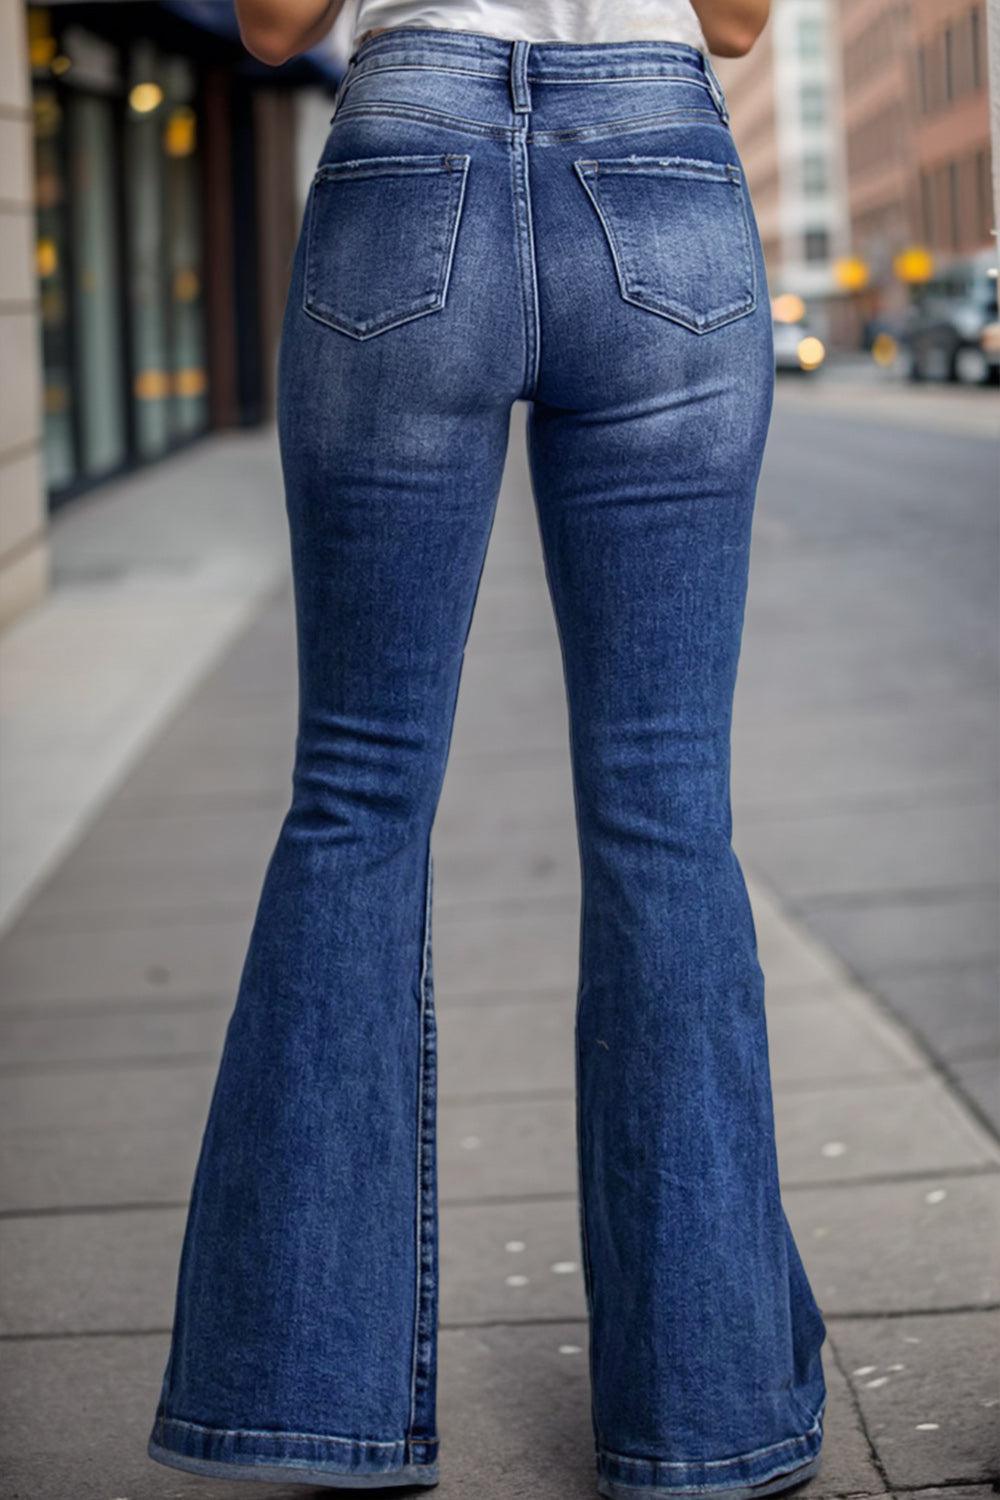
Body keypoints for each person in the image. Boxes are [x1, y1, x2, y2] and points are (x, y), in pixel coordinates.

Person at [148, 2, 829, 1496]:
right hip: (661, 172)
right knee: (667, 814)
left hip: (409, 161)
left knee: (356, 795)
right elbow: (733, 23)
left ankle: (306, 1402)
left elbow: (268, 26)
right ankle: (705, 1419)